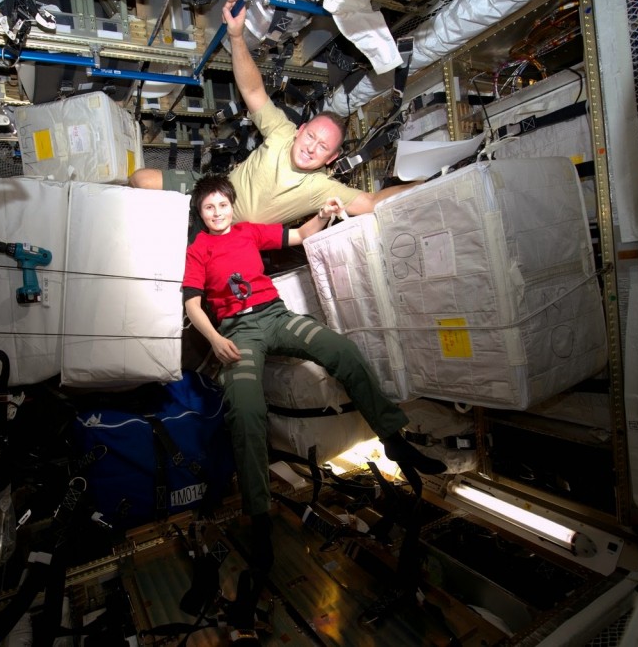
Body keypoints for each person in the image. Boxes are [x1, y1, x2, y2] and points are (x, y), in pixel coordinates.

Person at [181, 174, 447, 578]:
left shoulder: (248, 232)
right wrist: (216, 340)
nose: (217, 213)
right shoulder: (199, 249)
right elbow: (193, 305)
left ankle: (394, 440)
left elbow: (302, 234)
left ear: (231, 206)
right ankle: (260, 519)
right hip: (239, 332)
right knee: (245, 410)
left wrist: (323, 215)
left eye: (222, 205)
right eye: (209, 207)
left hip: (277, 317)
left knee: (342, 350)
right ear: (201, 214)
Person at [129, 0, 417, 225]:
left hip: (229, 236)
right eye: (311, 137)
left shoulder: (323, 188)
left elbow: (370, 202)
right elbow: (253, 91)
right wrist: (238, 37)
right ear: (301, 130)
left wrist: (430, 182)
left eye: (322, 147)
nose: (311, 148)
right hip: (213, 191)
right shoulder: (282, 132)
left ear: (332, 157)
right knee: (140, 180)